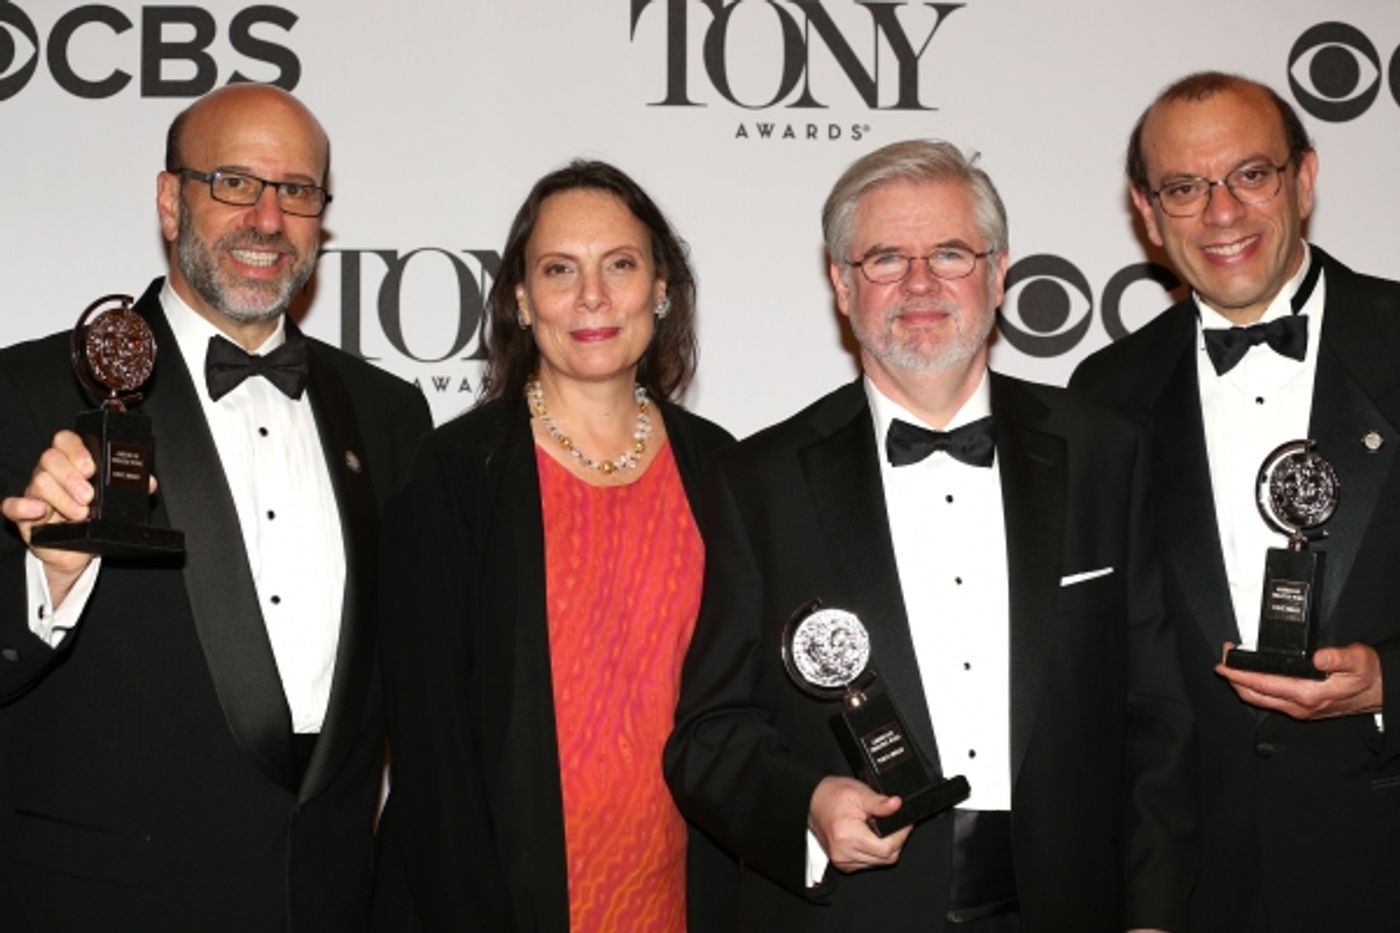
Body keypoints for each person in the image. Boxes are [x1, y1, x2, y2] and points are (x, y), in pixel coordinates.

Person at [664, 139, 1196, 932]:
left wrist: (1152, 917)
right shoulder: (756, 482)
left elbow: (1160, 711)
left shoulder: (1104, 450)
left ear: (999, 272)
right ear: (843, 286)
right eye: (885, 258)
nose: (920, 283)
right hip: (854, 913)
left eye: (950, 252)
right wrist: (808, 805)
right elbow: (707, 735)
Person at [0, 84, 431, 932]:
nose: (267, 218)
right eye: (235, 182)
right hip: (103, 903)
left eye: (297, 191)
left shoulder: (390, 413)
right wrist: (42, 573)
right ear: (171, 200)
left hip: (329, 902)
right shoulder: (25, 392)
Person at [1072, 71, 1400, 932]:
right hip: (1197, 885)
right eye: (1185, 186)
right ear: (1147, 212)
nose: (1222, 212)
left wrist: (1388, 682)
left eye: (1250, 174)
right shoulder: (1105, 394)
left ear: (1305, 178)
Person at [371, 159, 736, 932]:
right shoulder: (454, 474)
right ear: (521, 298)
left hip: (682, 894)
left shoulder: (724, 470)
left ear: (661, 288)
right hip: (496, 901)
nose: (592, 297)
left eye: (621, 265)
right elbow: (431, 753)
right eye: (560, 269)